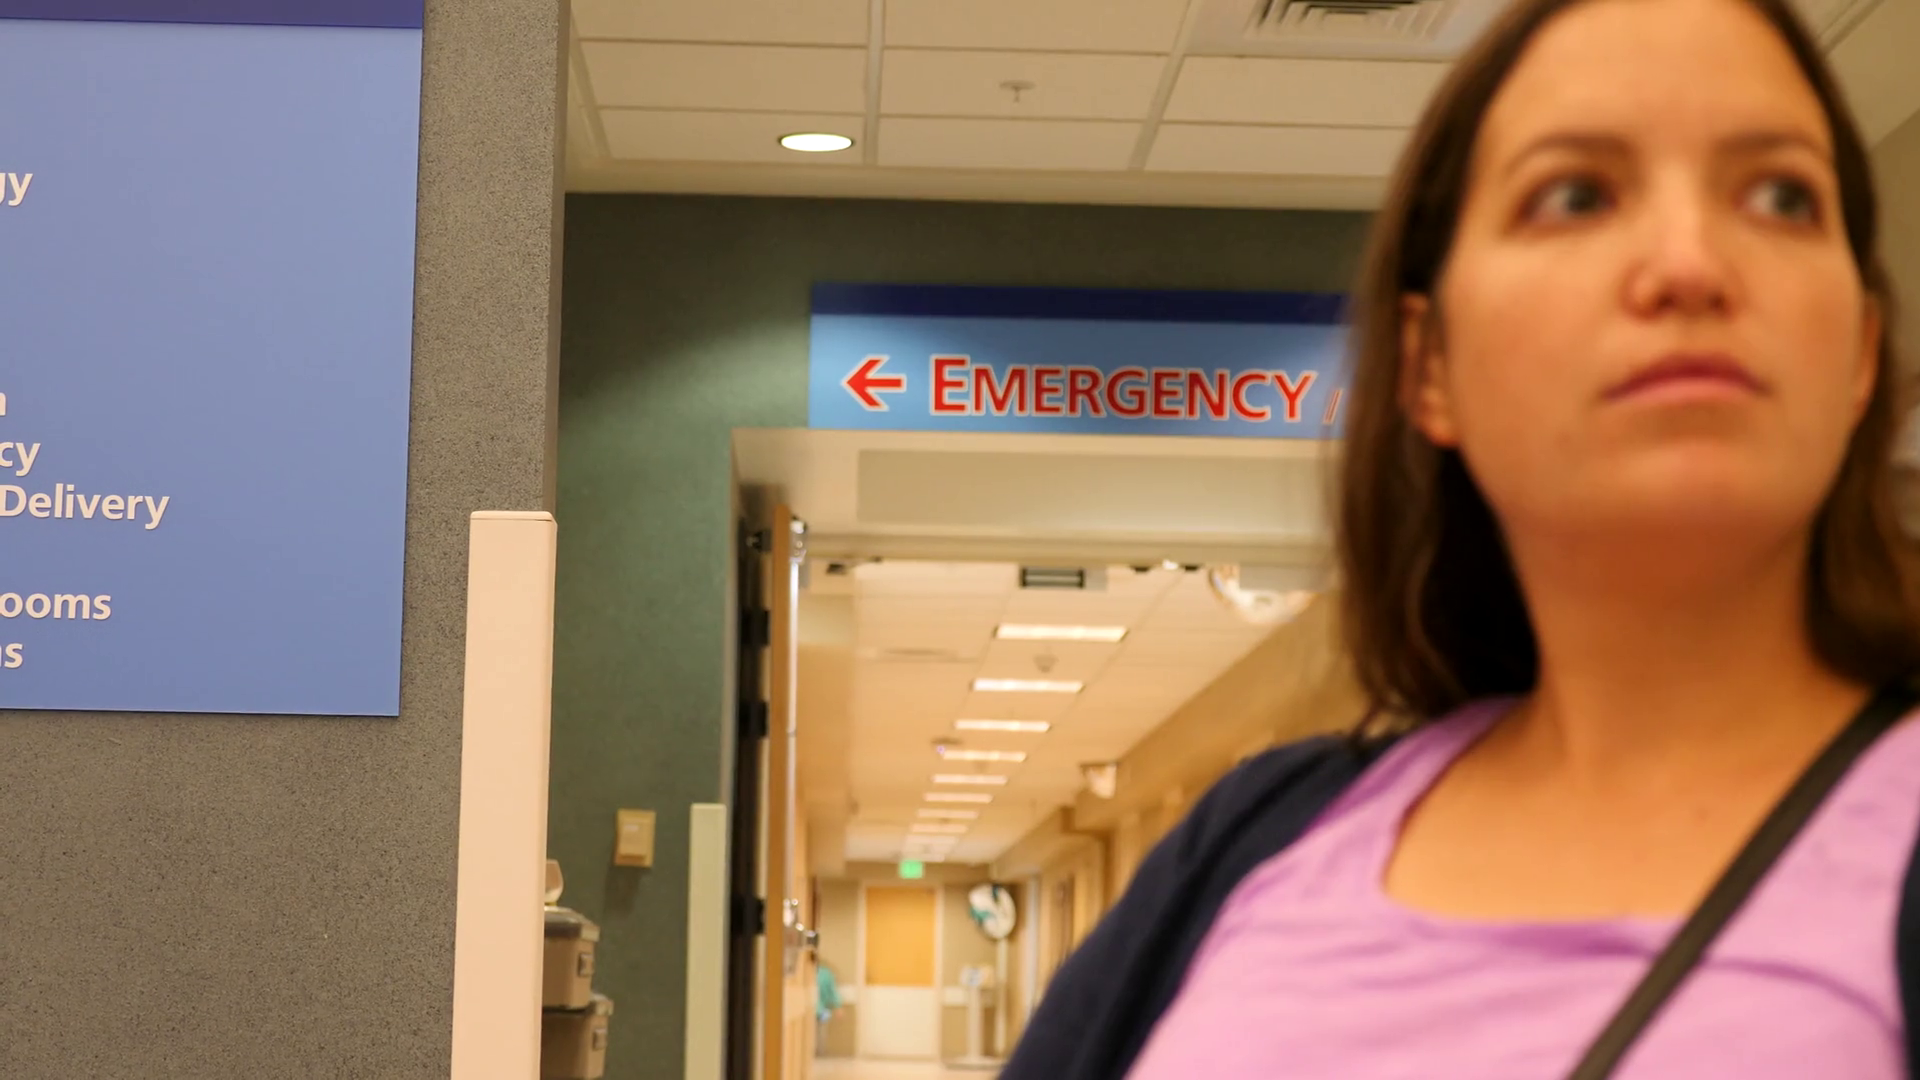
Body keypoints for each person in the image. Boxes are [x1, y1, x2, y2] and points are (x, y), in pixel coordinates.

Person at [1001, 0, 1920, 1076]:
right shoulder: (1263, 837)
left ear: (1861, 352)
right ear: (1429, 364)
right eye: (1575, 194)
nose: (1690, 263)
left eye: (1781, 196)